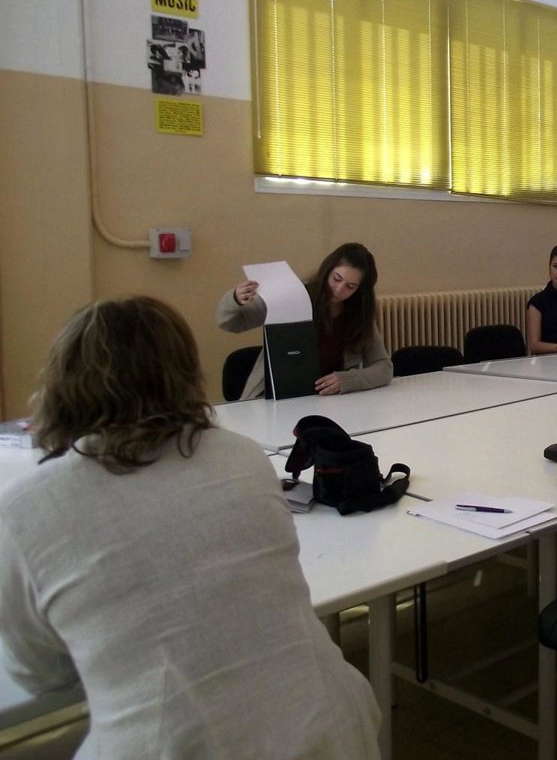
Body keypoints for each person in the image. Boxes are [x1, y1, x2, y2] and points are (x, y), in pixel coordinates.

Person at [0, 297, 381, 758]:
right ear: (183, 372)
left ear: (62, 381)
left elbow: (39, 673)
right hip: (332, 723)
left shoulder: (28, 508)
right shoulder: (244, 457)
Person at [217, 242, 392, 399]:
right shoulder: (296, 296)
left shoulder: (359, 315)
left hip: (329, 402)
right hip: (278, 397)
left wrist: (346, 380)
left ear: (360, 290)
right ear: (327, 270)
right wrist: (235, 298)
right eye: (337, 279)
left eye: (350, 286)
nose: (339, 289)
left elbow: (384, 367)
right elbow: (232, 323)